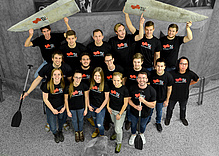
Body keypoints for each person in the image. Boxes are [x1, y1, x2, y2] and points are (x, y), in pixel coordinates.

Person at [22, 51, 72, 131]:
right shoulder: (46, 67)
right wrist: (27, 92)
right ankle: (49, 121)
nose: (57, 60)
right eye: (56, 58)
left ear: (62, 59)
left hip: (62, 90)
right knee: (48, 108)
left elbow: (70, 81)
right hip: (49, 91)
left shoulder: (67, 67)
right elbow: (38, 79)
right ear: (52, 59)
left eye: (59, 58)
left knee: (63, 109)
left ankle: (64, 122)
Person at [165, 56, 199, 126]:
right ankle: (168, 118)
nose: (183, 66)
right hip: (173, 96)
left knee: (183, 108)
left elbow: (197, 79)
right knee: (170, 108)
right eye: (181, 64)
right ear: (178, 64)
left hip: (184, 96)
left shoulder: (190, 73)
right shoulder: (172, 73)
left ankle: (183, 118)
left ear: (187, 65)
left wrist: (188, 84)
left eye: (185, 64)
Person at [128, 72, 156, 146]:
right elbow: (128, 100)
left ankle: (141, 134)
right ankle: (133, 134)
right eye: (139, 78)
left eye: (143, 78)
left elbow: (153, 105)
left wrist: (144, 101)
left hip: (145, 113)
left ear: (147, 79)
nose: (141, 80)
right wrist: (135, 106)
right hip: (134, 112)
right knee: (133, 125)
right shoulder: (132, 87)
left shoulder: (151, 90)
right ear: (137, 79)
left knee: (143, 125)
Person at [124, 53, 150, 130]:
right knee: (129, 107)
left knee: (140, 108)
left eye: (138, 62)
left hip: (140, 94)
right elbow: (124, 80)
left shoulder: (146, 72)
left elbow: (147, 85)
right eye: (135, 62)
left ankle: (139, 120)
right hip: (129, 93)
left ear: (142, 62)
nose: (136, 64)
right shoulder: (128, 70)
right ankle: (129, 120)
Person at [148, 58, 174, 132]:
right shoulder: (151, 74)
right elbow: (148, 86)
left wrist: (167, 100)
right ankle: (148, 120)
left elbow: (169, 89)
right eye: (158, 66)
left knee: (159, 111)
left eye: (161, 66)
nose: (159, 68)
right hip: (151, 98)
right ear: (155, 66)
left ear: (164, 67)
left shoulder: (168, 76)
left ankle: (158, 122)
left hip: (161, 99)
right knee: (149, 110)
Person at [41, 68, 66, 143]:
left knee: (62, 119)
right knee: (52, 124)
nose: (57, 76)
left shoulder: (64, 84)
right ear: (52, 76)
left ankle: (60, 131)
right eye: (55, 74)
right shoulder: (47, 85)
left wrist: (64, 107)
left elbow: (66, 97)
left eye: (59, 74)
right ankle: (55, 133)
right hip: (51, 107)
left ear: (61, 76)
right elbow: (45, 99)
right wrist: (52, 109)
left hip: (61, 106)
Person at [64, 70, 89, 142]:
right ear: (73, 78)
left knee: (81, 120)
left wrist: (86, 109)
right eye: (76, 77)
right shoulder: (68, 87)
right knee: (74, 120)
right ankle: (76, 132)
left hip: (81, 107)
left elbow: (86, 98)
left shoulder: (84, 86)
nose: (78, 79)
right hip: (72, 108)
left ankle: (80, 131)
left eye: (80, 78)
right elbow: (66, 100)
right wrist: (68, 110)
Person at [107, 72, 129, 153]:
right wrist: (108, 106)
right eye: (114, 80)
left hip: (120, 112)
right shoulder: (111, 87)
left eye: (118, 80)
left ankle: (119, 143)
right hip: (112, 110)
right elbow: (109, 97)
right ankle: (116, 133)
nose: (116, 82)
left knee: (117, 128)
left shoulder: (124, 90)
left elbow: (125, 103)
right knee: (114, 123)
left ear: (121, 80)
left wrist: (120, 114)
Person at [103, 53, 125, 130]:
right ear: (105, 62)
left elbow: (123, 81)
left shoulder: (120, 69)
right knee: (108, 107)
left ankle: (121, 120)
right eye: (107, 61)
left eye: (110, 60)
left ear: (113, 60)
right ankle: (107, 121)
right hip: (109, 90)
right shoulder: (104, 70)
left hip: (118, 90)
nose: (109, 62)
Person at [88, 67, 110, 138]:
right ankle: (96, 130)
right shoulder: (91, 83)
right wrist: (88, 105)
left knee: (100, 123)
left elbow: (106, 99)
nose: (97, 77)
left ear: (101, 76)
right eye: (95, 75)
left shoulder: (105, 85)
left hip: (101, 108)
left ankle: (102, 135)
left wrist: (100, 109)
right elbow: (87, 95)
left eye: (99, 76)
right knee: (94, 120)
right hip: (92, 106)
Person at [77, 52, 95, 127]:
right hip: (80, 91)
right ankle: (87, 117)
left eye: (87, 59)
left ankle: (91, 116)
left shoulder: (93, 69)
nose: (85, 61)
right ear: (80, 61)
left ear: (90, 60)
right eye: (83, 59)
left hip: (91, 90)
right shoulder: (77, 70)